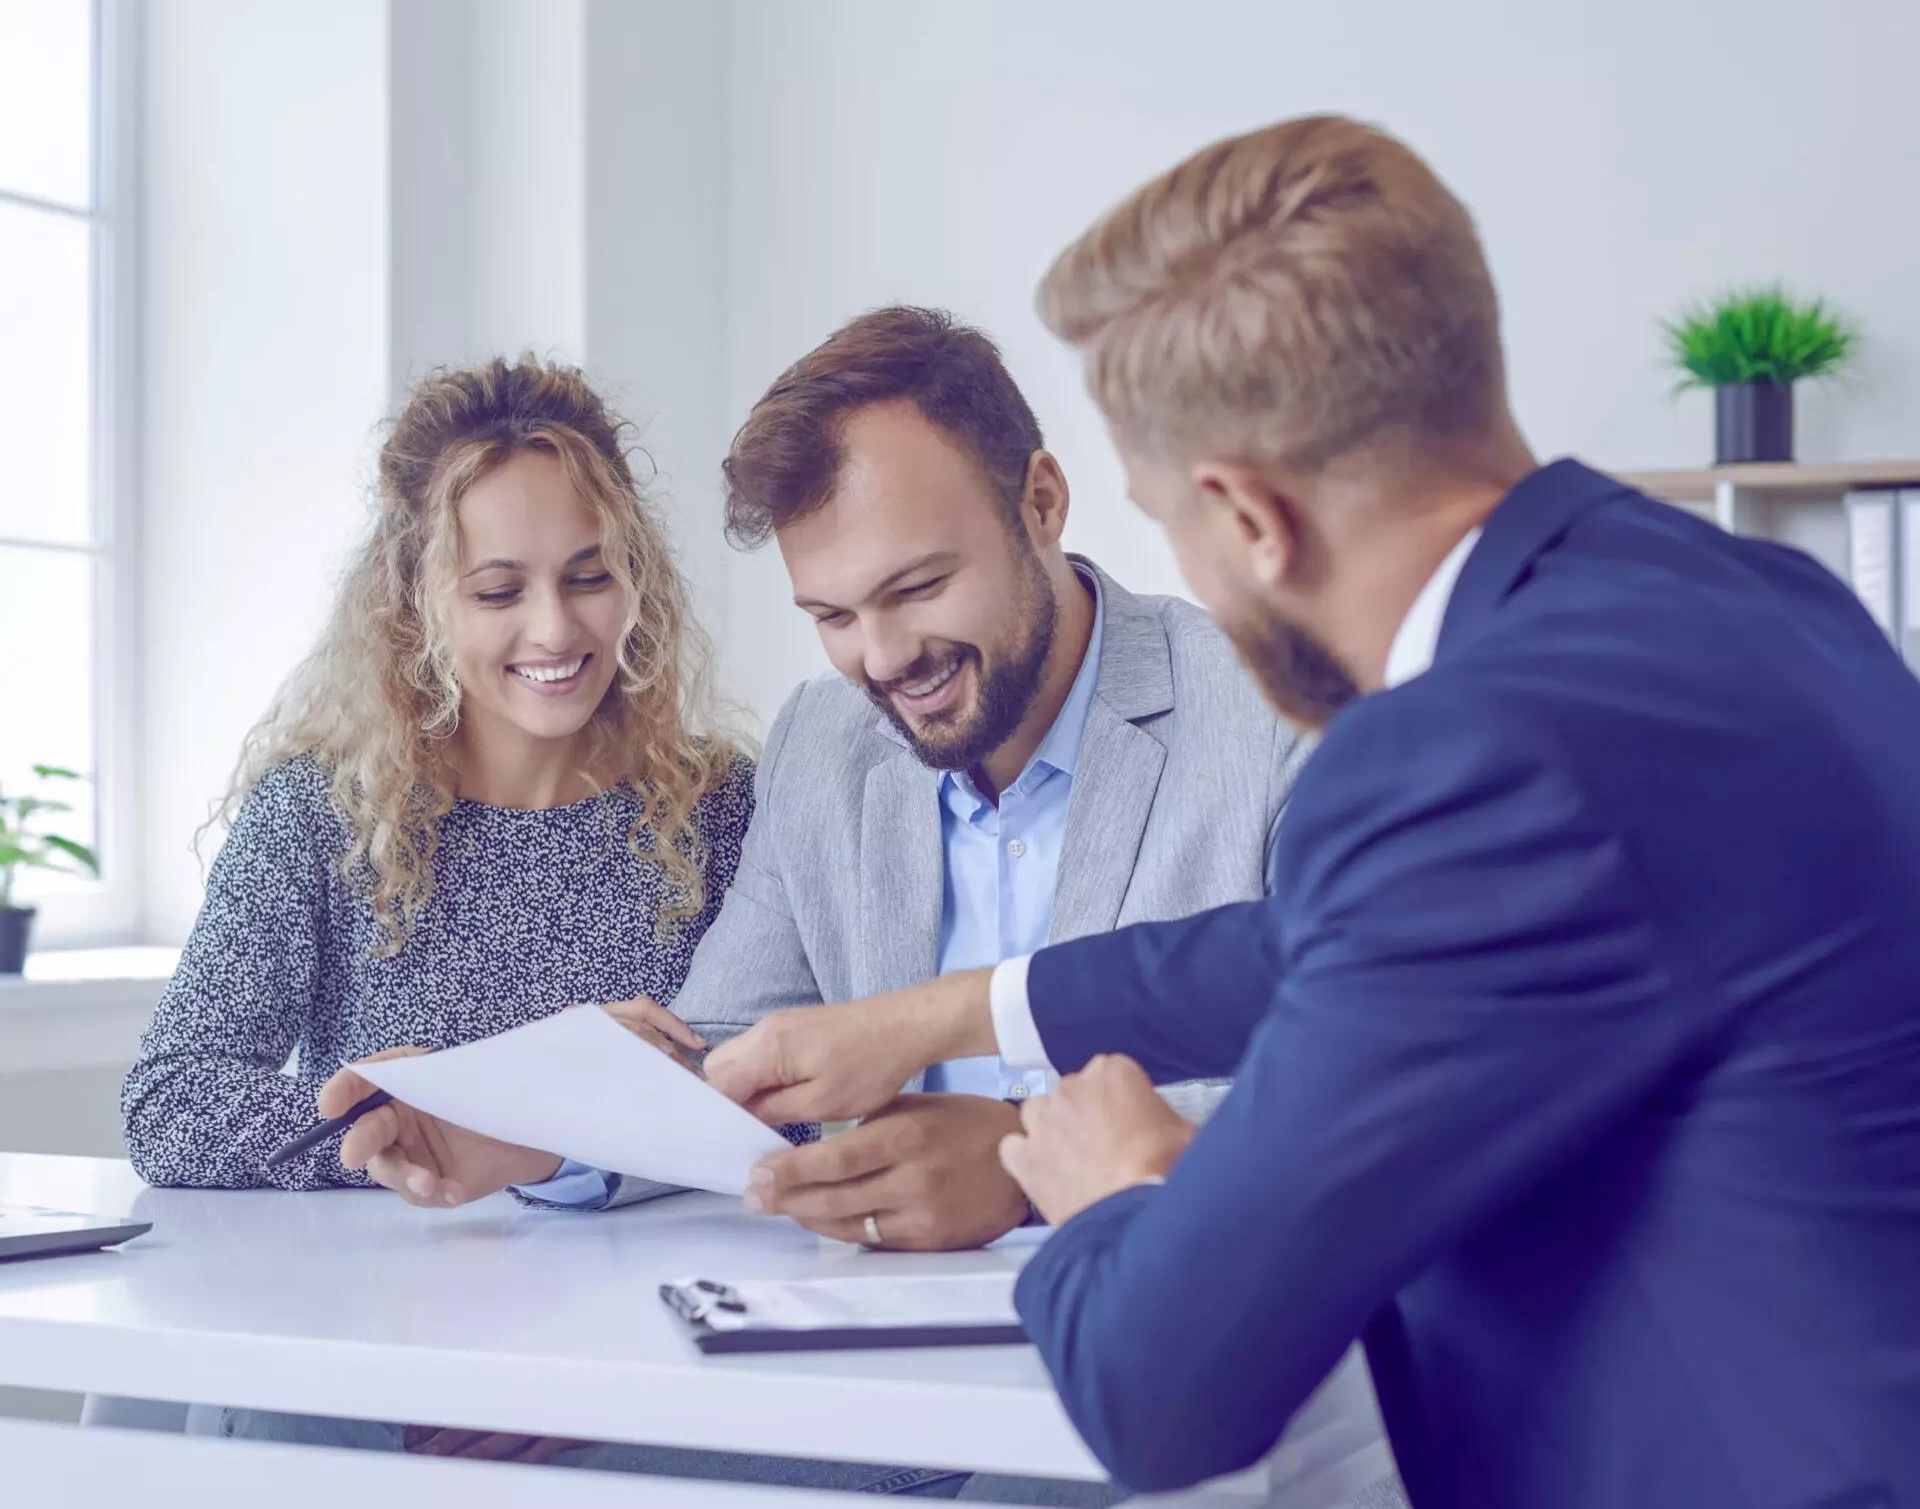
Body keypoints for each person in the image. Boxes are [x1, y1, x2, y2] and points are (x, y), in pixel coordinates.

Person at [699, 117, 1920, 1509]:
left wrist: (1117, 1187)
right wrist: (954, 1014)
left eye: (1164, 515)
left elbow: (1158, 1391)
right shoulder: (1755, 600)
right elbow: (1322, 951)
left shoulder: (1470, 751)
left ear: (1248, 516)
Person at [322, 309, 1385, 1503]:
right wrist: (539, 1129)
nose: (881, 658)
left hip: (1165, 1384)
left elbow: (1356, 1086)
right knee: (362, 1452)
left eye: (917, 587)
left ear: (1041, 501)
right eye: (829, 616)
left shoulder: (1278, 707)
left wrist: (1020, 1161)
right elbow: (729, 1047)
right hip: (872, 1377)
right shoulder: (827, 742)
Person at [123, 355, 750, 1460]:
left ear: (639, 581)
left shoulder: (720, 809)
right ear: (415, 605)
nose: (555, 630)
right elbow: (171, 1103)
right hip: (377, 1338)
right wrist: (457, 1110)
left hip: (635, 1353)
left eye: (590, 577)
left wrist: (526, 1121)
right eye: (499, 591)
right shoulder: (322, 811)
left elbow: (774, 1113)